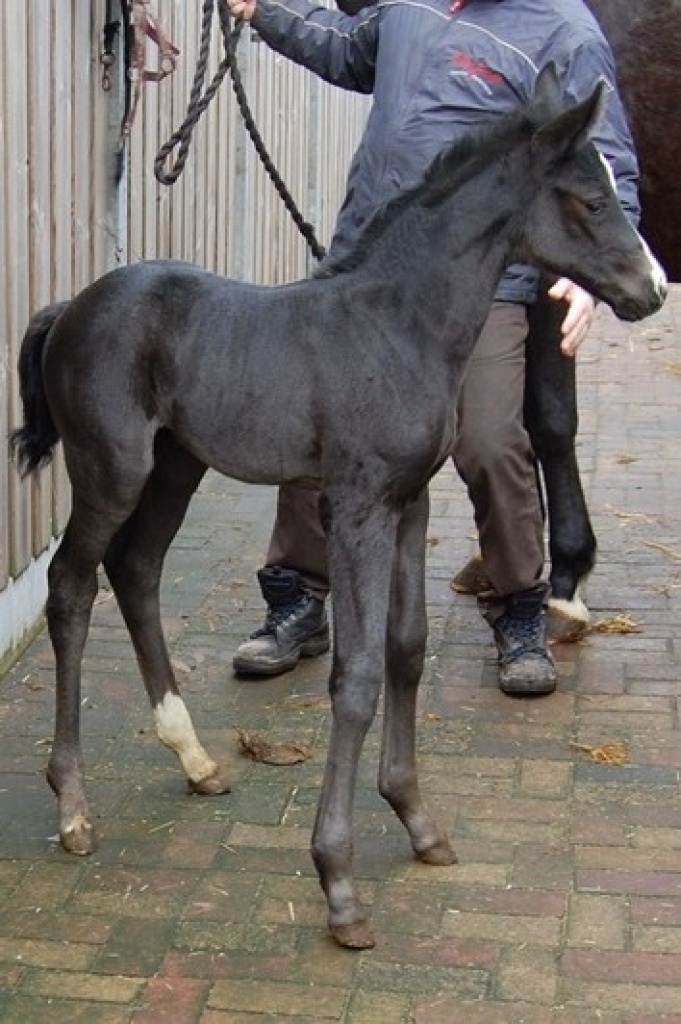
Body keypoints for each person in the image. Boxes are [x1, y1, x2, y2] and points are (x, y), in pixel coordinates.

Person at [225, 0, 640, 696]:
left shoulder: (561, 29)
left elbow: (604, 162)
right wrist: (263, 11)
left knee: (485, 437)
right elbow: (347, 50)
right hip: (365, 268)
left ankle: (517, 607)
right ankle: (298, 598)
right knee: (312, 423)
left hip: (481, 285)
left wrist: (590, 279)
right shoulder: (405, 5)